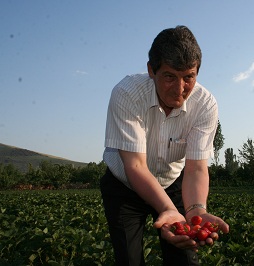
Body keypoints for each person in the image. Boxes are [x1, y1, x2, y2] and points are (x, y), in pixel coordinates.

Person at [100, 25, 229, 266]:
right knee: (129, 260)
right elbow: (136, 166)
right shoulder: (127, 94)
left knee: (185, 260)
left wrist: (196, 210)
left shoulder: (206, 105)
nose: (180, 89)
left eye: (189, 77)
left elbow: (196, 168)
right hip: (125, 186)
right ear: (151, 70)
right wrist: (168, 210)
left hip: (173, 182)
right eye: (170, 76)